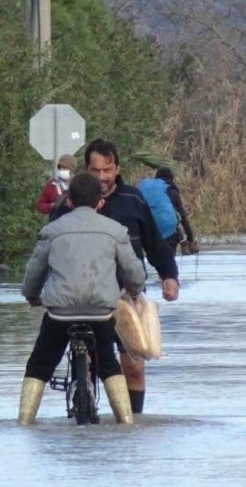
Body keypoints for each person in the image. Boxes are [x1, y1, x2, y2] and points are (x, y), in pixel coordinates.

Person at [52, 138, 179, 415]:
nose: (102, 178)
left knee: (133, 366)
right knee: (90, 361)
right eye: (96, 171)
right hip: (82, 294)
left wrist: (169, 275)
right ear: (86, 170)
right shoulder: (67, 205)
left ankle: (132, 424)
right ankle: (83, 393)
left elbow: (154, 243)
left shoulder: (133, 200)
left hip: (125, 295)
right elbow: (48, 247)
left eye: (107, 170)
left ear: (117, 169)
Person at [19, 173, 146, 425]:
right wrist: (134, 292)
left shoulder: (51, 231)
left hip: (60, 313)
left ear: (68, 201)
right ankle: (127, 422)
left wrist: (31, 295)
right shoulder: (116, 231)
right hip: (101, 313)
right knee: (108, 362)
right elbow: (134, 273)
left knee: (39, 364)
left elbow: (34, 273)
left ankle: (24, 420)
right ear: (100, 202)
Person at [156, 166, 198, 255]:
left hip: (151, 230)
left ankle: (182, 240)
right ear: (171, 177)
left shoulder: (152, 192)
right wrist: (190, 237)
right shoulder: (173, 192)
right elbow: (182, 216)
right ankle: (183, 241)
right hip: (170, 233)